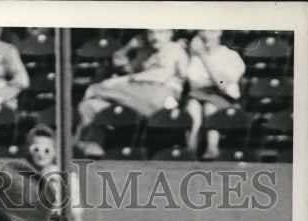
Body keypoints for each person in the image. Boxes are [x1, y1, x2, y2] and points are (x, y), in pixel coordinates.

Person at [75, 29, 189, 156]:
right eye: (151, 33)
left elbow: (159, 76)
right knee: (89, 105)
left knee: (95, 89)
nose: (155, 37)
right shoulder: (147, 52)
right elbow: (122, 65)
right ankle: (90, 143)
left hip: (162, 98)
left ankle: (78, 139)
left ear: (170, 34)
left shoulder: (173, 48)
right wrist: (128, 47)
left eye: (160, 32)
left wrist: (119, 81)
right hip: (136, 99)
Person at [184, 30, 246, 158]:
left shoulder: (231, 56)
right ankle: (191, 149)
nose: (206, 36)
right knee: (192, 107)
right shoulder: (193, 57)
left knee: (209, 106)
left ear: (219, 33)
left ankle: (212, 148)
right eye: (203, 32)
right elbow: (194, 84)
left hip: (225, 99)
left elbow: (221, 83)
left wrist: (204, 56)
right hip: (199, 96)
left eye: (212, 32)